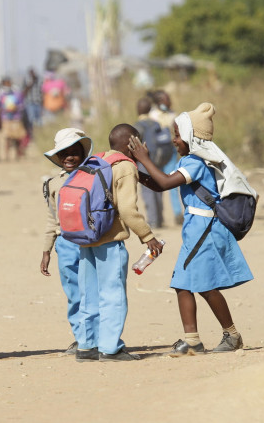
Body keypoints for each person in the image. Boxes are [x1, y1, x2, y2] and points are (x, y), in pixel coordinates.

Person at [128, 103, 252, 357]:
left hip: (205, 229)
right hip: (196, 229)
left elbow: (163, 182)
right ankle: (193, 340)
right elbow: (160, 185)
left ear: (190, 137)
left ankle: (231, 335)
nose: (174, 140)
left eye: (177, 135)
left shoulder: (195, 162)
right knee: (183, 283)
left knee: (202, 285)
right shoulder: (188, 161)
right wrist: (136, 170)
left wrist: (144, 159)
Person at [72, 124, 163, 363]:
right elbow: (127, 209)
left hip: (86, 238)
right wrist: (148, 236)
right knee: (113, 294)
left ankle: (87, 346)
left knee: (89, 294)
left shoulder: (96, 160)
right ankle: (111, 348)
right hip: (110, 241)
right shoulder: (124, 167)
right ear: (132, 144)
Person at [39, 128, 92, 354]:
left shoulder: (92, 178)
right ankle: (81, 338)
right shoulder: (53, 184)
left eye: (74, 152)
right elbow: (52, 218)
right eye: (64, 153)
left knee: (92, 290)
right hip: (65, 243)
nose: (69, 157)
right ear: (58, 157)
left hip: (90, 242)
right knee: (73, 292)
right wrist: (47, 249)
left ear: (83, 154)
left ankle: (95, 336)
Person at [133, 96, 168, 229]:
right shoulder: (156, 123)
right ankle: (160, 218)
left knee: (148, 190)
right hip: (158, 160)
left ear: (138, 110)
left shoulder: (137, 125)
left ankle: (153, 221)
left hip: (144, 161)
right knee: (158, 187)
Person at [149, 90, 183, 225]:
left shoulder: (173, 114)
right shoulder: (153, 116)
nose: (169, 102)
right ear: (160, 102)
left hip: (170, 151)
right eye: (167, 100)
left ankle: (177, 214)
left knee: (172, 182)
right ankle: (159, 216)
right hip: (157, 154)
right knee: (158, 183)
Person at [0, 77, 26, 161]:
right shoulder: (1, 95)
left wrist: (16, 108)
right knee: (7, 138)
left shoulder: (17, 94)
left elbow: (22, 105)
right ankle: (7, 156)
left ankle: (17, 155)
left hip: (16, 118)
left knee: (17, 138)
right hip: (6, 118)